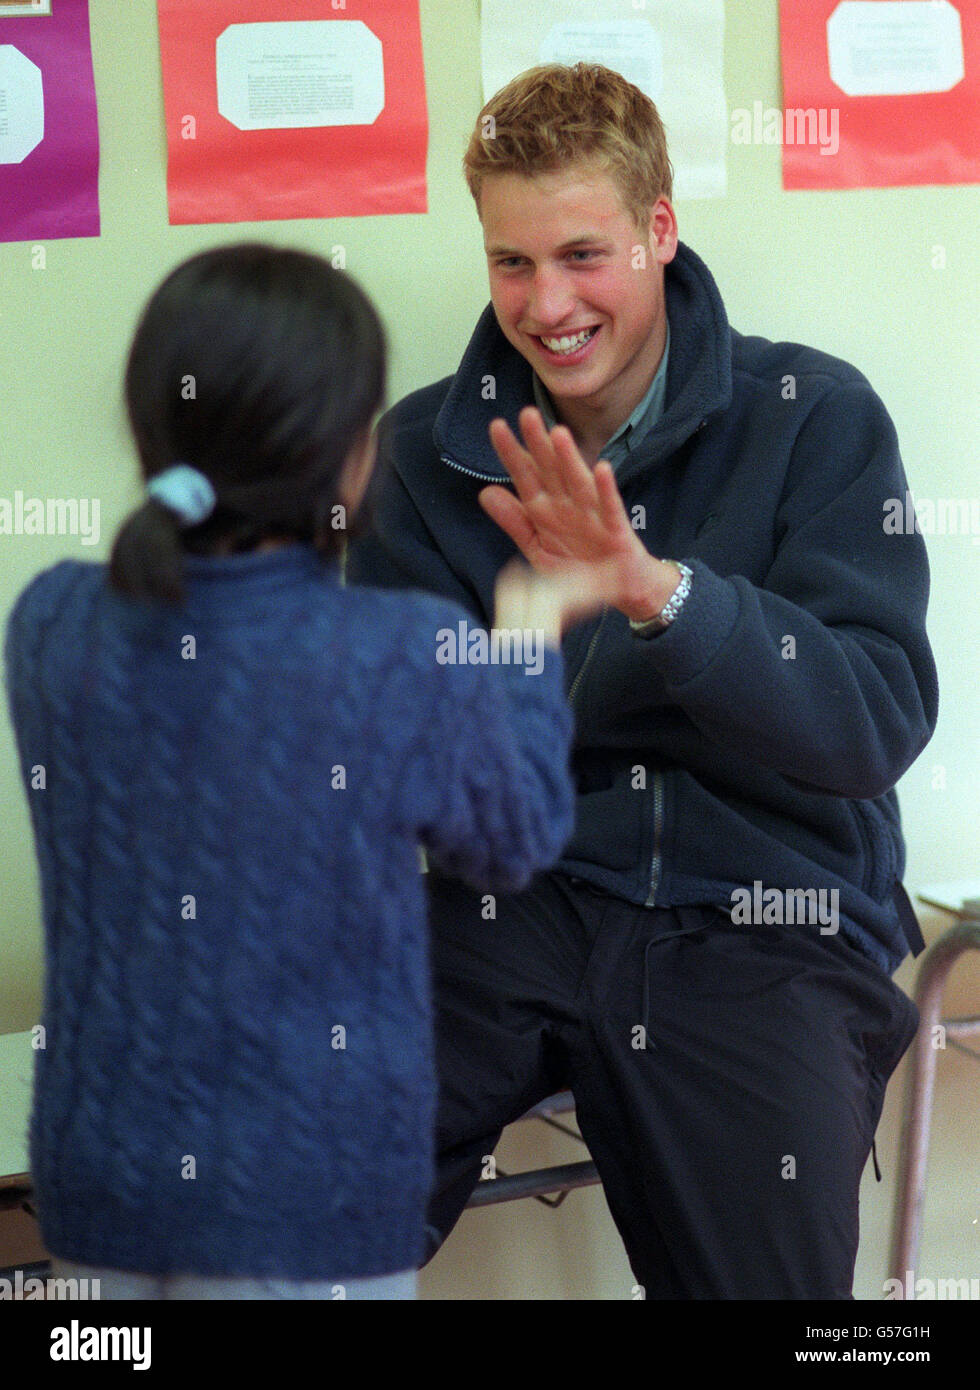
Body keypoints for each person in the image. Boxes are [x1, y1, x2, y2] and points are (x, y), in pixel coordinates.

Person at [345, 63, 940, 1298]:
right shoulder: (419, 454)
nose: (545, 303)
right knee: (273, 1185)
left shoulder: (813, 416)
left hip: (761, 910)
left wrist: (655, 592)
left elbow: (871, 719)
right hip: (515, 900)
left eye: (581, 254)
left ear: (659, 230)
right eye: (511, 262)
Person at [3, 242, 620, 1299]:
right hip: (308, 1203)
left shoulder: (50, 620)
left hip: (101, 1185)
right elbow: (516, 837)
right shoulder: (395, 651)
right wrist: (521, 631)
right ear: (344, 453)